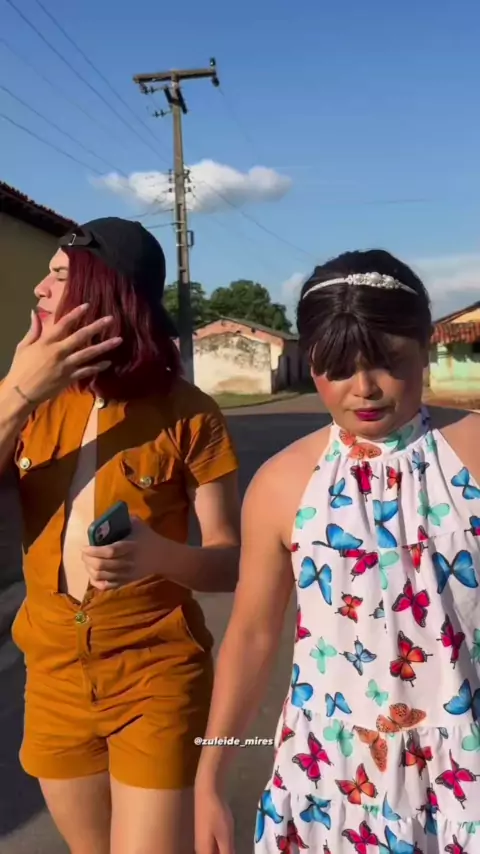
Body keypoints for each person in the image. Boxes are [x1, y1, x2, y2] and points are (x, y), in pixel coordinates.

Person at [195, 249, 480, 854]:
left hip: (468, 766)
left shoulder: (473, 450)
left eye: (389, 363)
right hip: (335, 778)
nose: (365, 389)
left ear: (425, 347)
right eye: (337, 369)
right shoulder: (281, 485)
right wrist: (210, 775)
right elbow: (251, 636)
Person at [0, 217, 240, 854]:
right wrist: (19, 390)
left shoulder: (191, 415)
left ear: (103, 293)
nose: (39, 289)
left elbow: (230, 563)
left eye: (59, 276)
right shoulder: (29, 403)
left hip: (155, 675)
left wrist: (159, 555)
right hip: (52, 674)